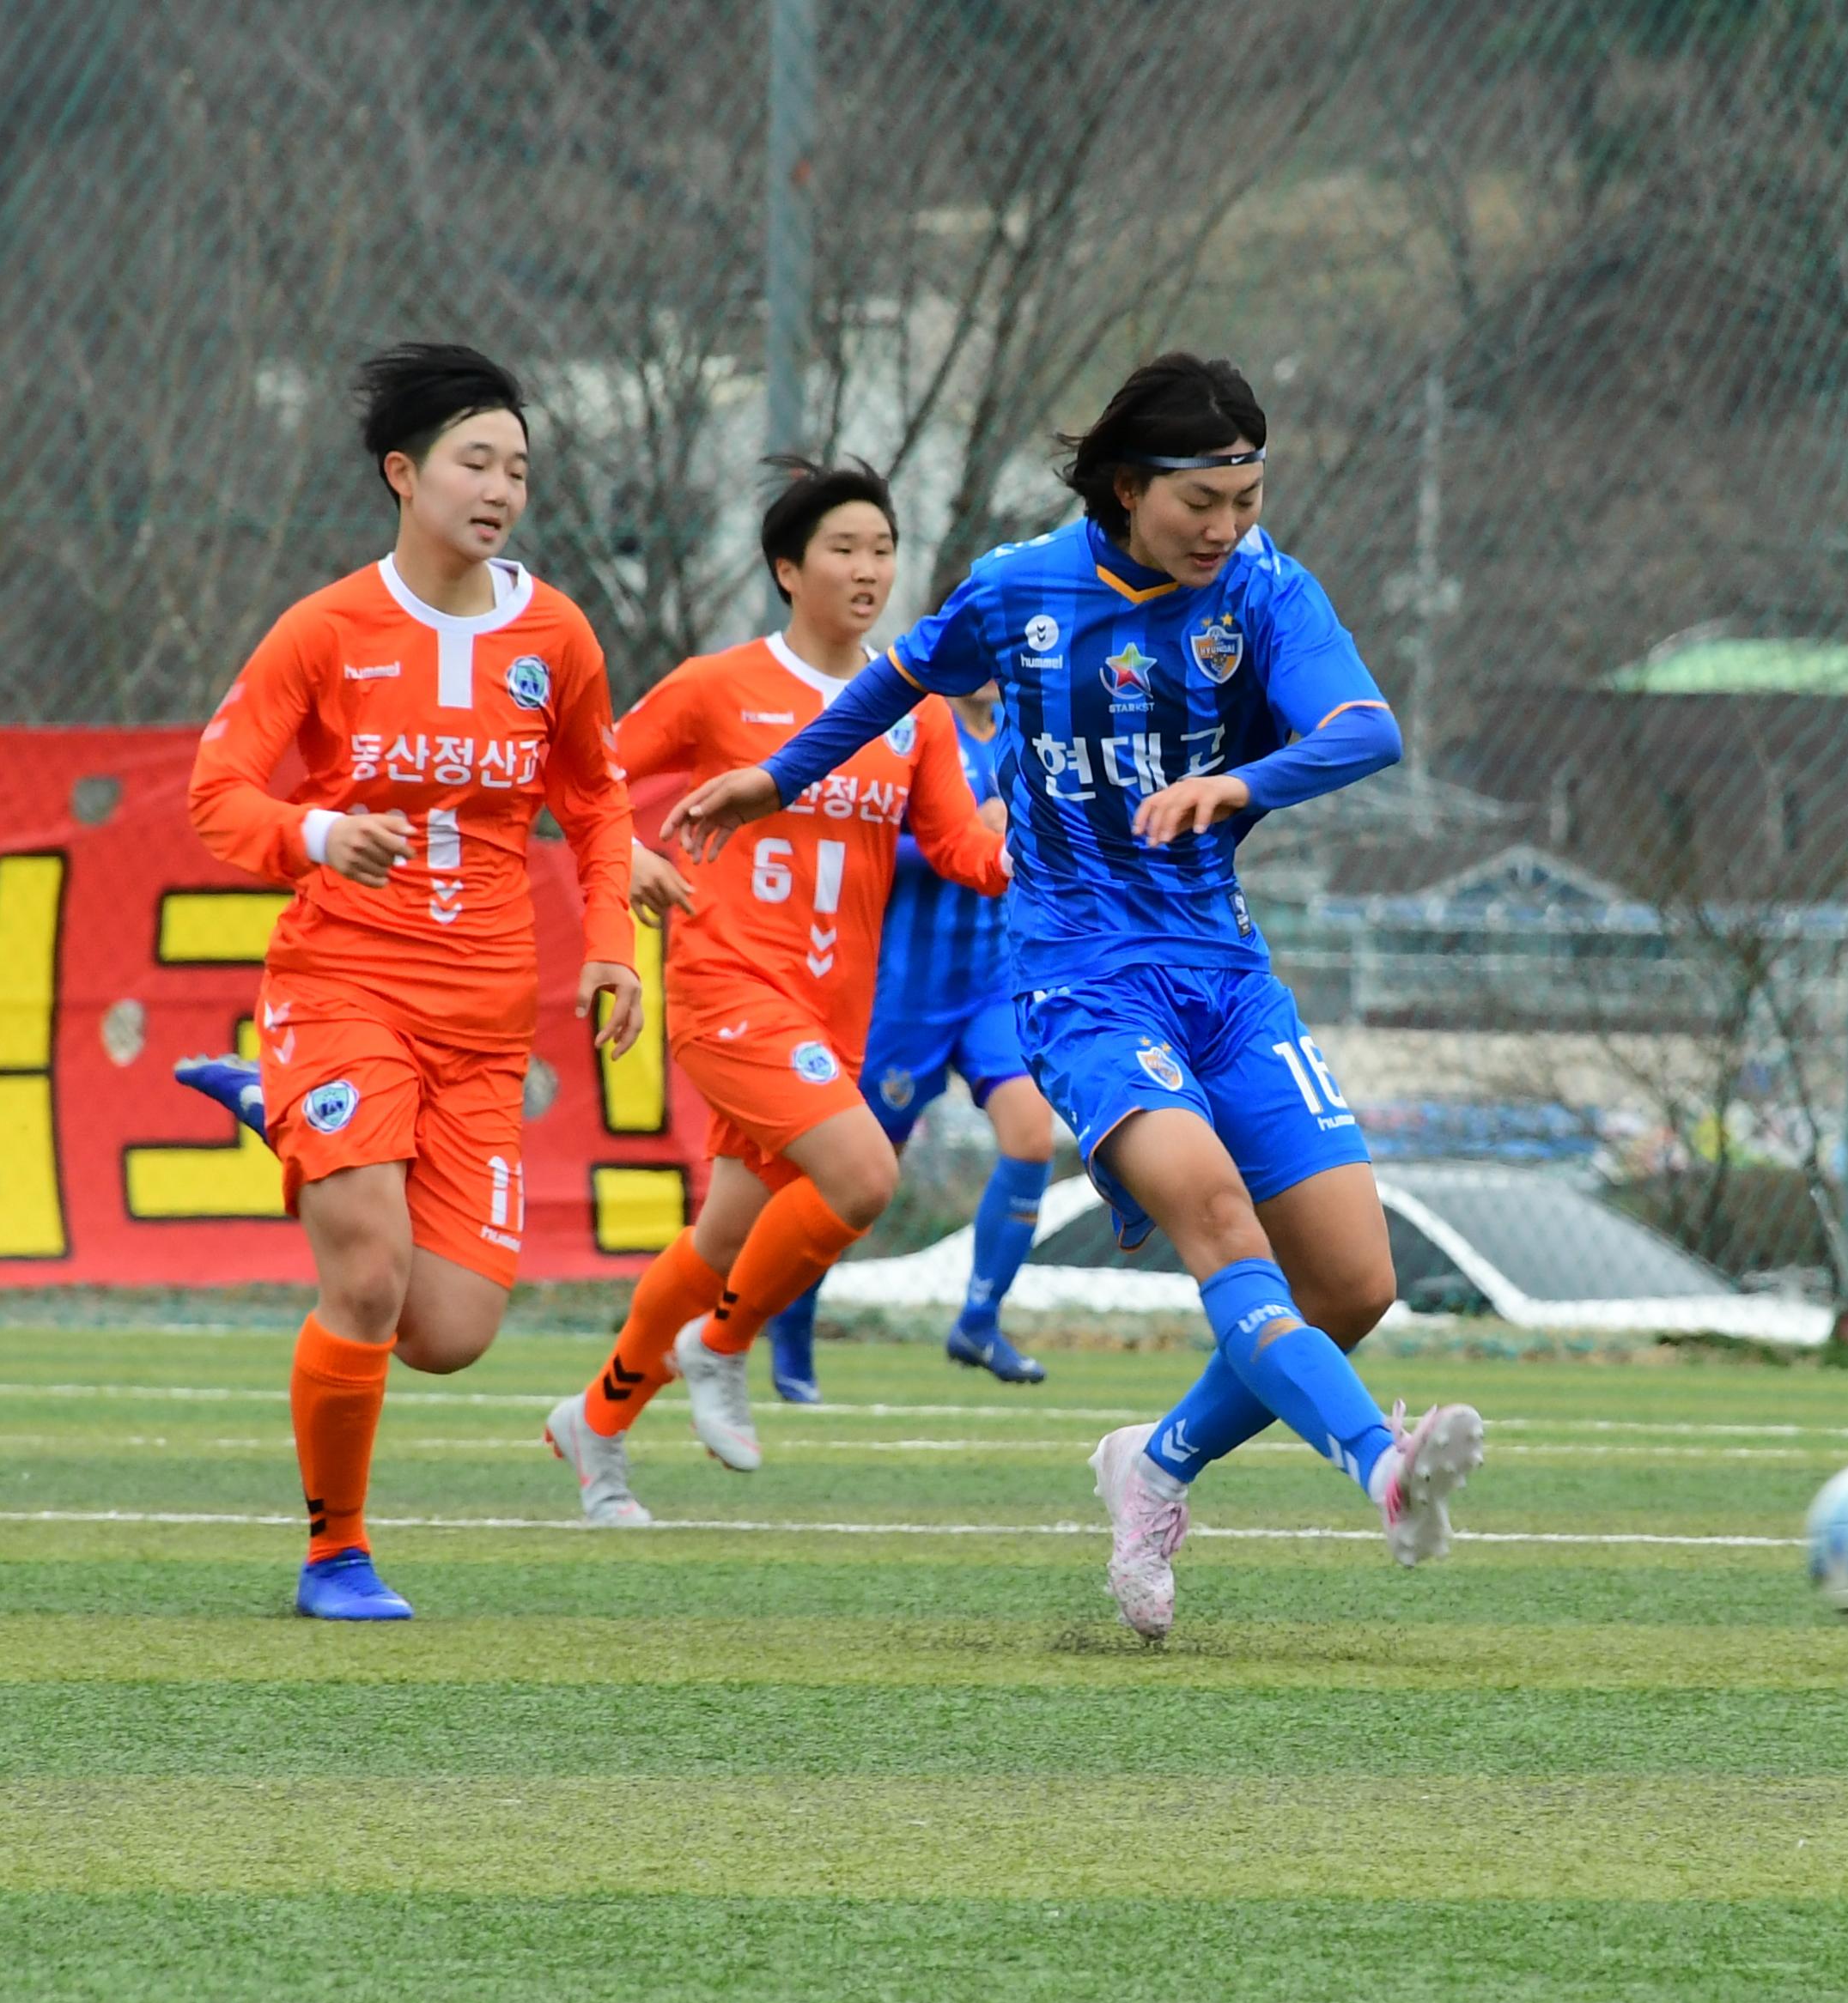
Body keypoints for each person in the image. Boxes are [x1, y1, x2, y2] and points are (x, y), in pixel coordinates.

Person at [673, 351, 1482, 1642]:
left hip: (1226, 977)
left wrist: (1244, 784)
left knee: (1354, 1285)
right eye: (1198, 505)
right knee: (1224, 1221)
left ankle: (1153, 1465)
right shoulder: (1020, 589)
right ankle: (1381, 1469)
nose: (1225, 530)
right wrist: (777, 779)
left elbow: (1366, 727)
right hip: (1081, 982)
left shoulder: (1265, 591)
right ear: (1123, 488)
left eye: (1247, 502)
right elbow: (902, 678)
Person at [185, 342, 642, 1618]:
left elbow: (599, 803)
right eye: (475, 461)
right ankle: (336, 1553)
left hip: (487, 1019)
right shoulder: (326, 629)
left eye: (520, 468)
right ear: (404, 473)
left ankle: (275, 1105)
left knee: (447, 1332)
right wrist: (321, 834)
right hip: (344, 987)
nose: (501, 488)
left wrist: (610, 941)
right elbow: (217, 796)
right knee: (368, 1281)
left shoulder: (554, 633)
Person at [540, 458, 1009, 1527]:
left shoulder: (915, 708)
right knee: (862, 1173)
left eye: (883, 549)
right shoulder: (720, 685)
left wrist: (1030, 855)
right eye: (844, 548)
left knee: (716, 1242)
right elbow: (586, 781)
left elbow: (955, 842)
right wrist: (632, 863)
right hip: (725, 982)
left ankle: (596, 1427)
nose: (869, 569)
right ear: (787, 569)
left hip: (831, 1014)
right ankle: (723, 1344)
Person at [764, 677, 1057, 1403]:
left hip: (992, 986)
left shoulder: (1026, 733)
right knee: (859, 1178)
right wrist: (964, 838)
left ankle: (979, 1322)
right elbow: (867, 845)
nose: (1006, 657)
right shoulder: (913, 731)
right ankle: (792, 1323)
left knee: (1031, 1137)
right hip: (906, 996)